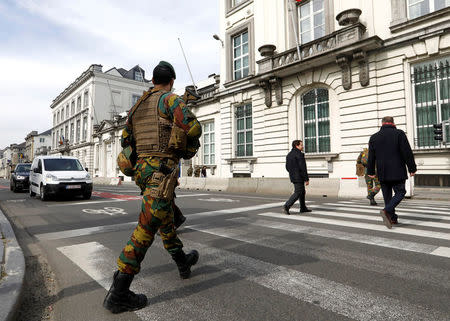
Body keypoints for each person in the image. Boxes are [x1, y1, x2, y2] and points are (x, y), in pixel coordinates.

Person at [103, 61, 202, 314]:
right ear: (170, 82)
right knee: (146, 229)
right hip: (161, 172)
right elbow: (193, 128)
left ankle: (183, 263)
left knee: (165, 220)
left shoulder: (136, 107)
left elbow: (127, 140)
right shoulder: (170, 100)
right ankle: (119, 292)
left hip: (144, 173)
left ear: (153, 80)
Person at [367, 116, 417, 229]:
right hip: (397, 170)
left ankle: (393, 218)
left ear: (382, 123)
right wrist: (412, 168)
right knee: (400, 192)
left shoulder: (374, 137)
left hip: (382, 172)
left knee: (388, 197)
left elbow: (371, 156)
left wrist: (370, 171)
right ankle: (387, 210)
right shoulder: (399, 134)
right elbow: (407, 152)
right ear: (392, 123)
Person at [283, 140, 311, 214]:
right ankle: (287, 205)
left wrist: (292, 173)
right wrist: (306, 179)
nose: (303, 146)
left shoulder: (289, 154)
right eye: (301, 145)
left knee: (302, 192)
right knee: (298, 192)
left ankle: (303, 207)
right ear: (297, 146)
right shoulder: (299, 154)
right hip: (299, 176)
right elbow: (303, 168)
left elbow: (287, 167)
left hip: (293, 176)